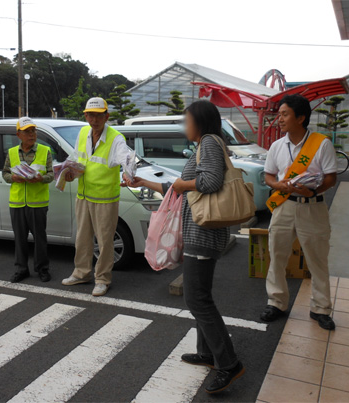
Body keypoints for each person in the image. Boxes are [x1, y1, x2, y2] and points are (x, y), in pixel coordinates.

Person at [129, 100, 244, 395]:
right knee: (200, 296)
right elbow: (181, 188)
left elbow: (209, 181)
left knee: (197, 299)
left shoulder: (209, 142)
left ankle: (228, 363)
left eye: (187, 119)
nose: (184, 125)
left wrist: (182, 184)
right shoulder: (205, 145)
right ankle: (208, 353)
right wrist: (143, 181)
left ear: (200, 121)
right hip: (199, 231)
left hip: (204, 233)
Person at [260, 94, 338, 330]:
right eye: (279, 114)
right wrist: (278, 185)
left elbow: (331, 177)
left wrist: (312, 192)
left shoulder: (321, 143)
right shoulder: (276, 145)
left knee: (317, 260)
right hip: (284, 206)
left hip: (312, 207)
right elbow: (269, 175)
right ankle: (276, 302)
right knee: (277, 256)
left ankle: (321, 309)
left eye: (285, 114)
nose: (280, 119)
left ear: (301, 117)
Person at [61, 97, 132, 297]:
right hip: (83, 194)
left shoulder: (116, 138)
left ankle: (102, 279)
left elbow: (124, 158)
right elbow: (76, 156)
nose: (94, 120)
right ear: (85, 116)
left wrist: (127, 172)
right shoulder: (83, 132)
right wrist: (68, 170)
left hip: (105, 198)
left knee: (104, 241)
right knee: (82, 238)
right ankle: (81, 273)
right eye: (90, 115)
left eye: (98, 115)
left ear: (106, 116)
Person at [2, 117, 54, 283]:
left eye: (33, 131)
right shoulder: (11, 153)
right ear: (19, 134)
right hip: (17, 202)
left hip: (38, 202)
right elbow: (5, 174)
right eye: (27, 132)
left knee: (40, 238)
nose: (32, 134)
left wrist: (41, 178)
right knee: (19, 238)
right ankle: (21, 269)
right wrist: (13, 177)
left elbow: (51, 175)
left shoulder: (45, 151)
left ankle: (42, 269)